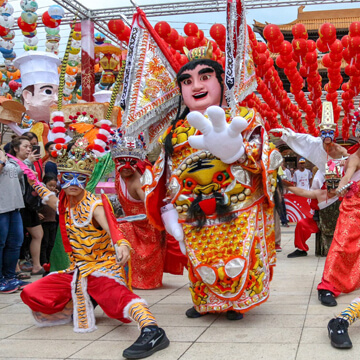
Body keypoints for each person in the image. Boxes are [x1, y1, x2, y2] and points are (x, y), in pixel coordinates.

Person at [143, 51, 281, 319]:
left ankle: (238, 302)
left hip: (238, 208)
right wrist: (168, 212)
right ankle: (204, 302)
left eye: (205, 77)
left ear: (221, 82)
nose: (196, 86)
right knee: (200, 262)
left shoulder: (243, 117)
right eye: (187, 81)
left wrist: (236, 153)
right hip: (193, 211)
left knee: (237, 259)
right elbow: (165, 171)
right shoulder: (174, 132)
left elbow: (268, 157)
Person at [22, 129, 169, 359]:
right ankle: (84, 301)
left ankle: (153, 331)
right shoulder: (63, 201)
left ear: (86, 179)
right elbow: (41, 190)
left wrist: (121, 244)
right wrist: (26, 170)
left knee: (125, 301)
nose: (73, 183)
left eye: (79, 178)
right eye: (67, 177)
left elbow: (112, 227)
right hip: (78, 271)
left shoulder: (95, 205)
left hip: (102, 270)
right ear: (61, 179)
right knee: (31, 292)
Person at [110, 131, 167, 289]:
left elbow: (151, 206)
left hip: (146, 226)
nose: (127, 167)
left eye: (131, 162)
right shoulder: (118, 175)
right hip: (131, 223)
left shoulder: (139, 182)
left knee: (122, 228)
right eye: (122, 161)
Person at [317, 122, 360, 307]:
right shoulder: (355, 156)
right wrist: (343, 184)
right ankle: (328, 286)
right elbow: (347, 174)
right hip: (355, 204)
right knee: (343, 243)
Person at [9, 136, 44, 276]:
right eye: (26, 146)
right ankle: (16, 268)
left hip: (28, 203)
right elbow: (14, 175)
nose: (29, 149)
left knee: (38, 233)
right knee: (15, 237)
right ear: (16, 149)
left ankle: (36, 265)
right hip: (16, 204)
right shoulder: (11, 162)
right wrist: (27, 162)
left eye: (30, 146)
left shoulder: (29, 163)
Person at [0, 148, 30, 293]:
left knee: (15, 243)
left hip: (14, 206)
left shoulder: (5, 154)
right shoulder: (2, 157)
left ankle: (10, 277)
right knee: (1, 244)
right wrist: (2, 160)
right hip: (1, 208)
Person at [38, 173, 58, 265]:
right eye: (50, 185)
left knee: (52, 243)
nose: (52, 188)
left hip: (53, 222)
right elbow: (36, 205)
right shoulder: (41, 195)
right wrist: (37, 213)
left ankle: (51, 261)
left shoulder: (55, 196)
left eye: (54, 186)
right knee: (44, 243)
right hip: (44, 222)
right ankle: (44, 261)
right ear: (44, 184)